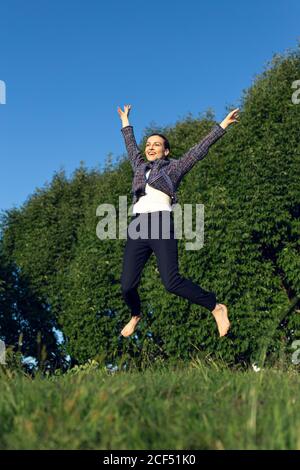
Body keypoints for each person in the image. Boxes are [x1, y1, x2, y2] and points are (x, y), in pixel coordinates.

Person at [118, 103, 239, 338]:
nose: (151, 147)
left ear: (166, 152)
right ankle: (135, 314)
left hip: (161, 223)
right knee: (127, 286)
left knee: (171, 282)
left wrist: (223, 125)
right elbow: (130, 147)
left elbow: (199, 150)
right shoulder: (139, 167)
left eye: (157, 145)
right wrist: (125, 121)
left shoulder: (174, 168)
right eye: (149, 144)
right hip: (138, 225)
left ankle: (216, 307)